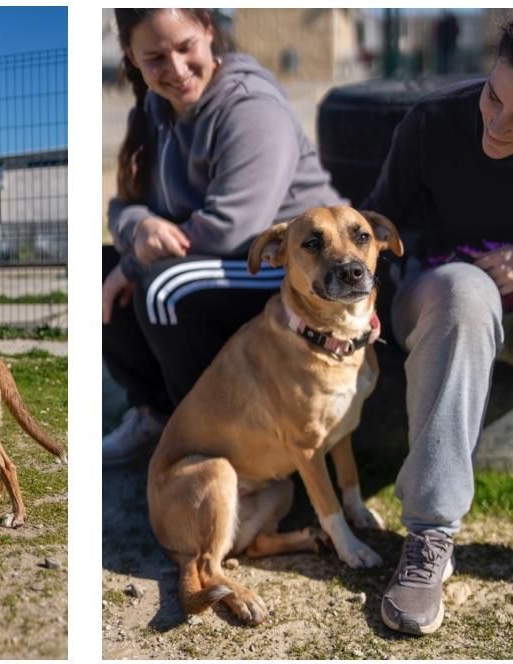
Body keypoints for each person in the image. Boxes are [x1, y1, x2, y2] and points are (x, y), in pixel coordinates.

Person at [102, 8, 344, 464]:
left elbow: (234, 227)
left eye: (185, 47)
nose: (174, 69)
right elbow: (122, 205)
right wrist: (139, 229)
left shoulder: (251, 107)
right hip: (224, 257)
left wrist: (137, 263)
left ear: (209, 32)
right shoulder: (156, 111)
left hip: (293, 265)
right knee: (101, 269)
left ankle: (218, 441)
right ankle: (158, 414)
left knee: (164, 289)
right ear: (131, 56)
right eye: (155, 57)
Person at [361, 8, 513, 636]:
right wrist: (359, 311)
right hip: (440, 298)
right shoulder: (433, 123)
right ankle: (431, 538)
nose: (495, 124)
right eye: (494, 98)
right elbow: (373, 231)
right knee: (465, 292)